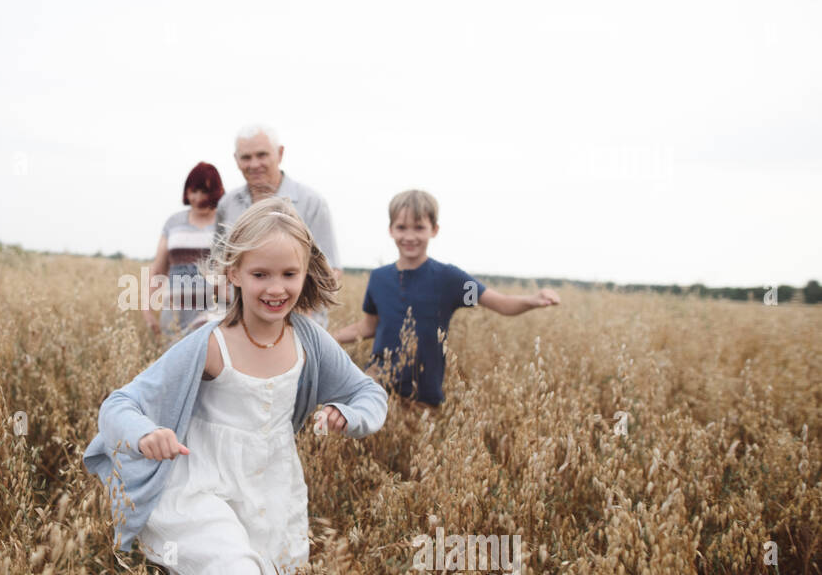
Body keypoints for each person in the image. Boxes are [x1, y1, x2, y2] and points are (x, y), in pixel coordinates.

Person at [83, 197, 388, 575]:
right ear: (233, 273)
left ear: (307, 273)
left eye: (289, 274)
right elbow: (119, 404)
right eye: (261, 274)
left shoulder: (309, 341)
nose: (276, 288)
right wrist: (146, 435)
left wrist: (347, 415)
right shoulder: (210, 343)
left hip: (276, 493)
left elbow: (368, 393)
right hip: (205, 484)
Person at [332, 189, 561, 409]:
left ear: (434, 229)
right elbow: (368, 327)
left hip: (423, 394)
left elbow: (499, 303)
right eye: (401, 227)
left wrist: (533, 300)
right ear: (391, 230)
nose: (409, 236)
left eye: (419, 227)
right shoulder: (378, 278)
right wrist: (330, 338)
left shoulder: (450, 279)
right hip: (377, 385)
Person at [214, 124, 343, 330]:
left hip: (300, 324)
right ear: (236, 160)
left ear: (280, 153)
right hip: (239, 326)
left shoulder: (311, 202)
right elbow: (219, 265)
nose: (254, 164)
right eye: (246, 157)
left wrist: (294, 306)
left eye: (262, 155)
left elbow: (331, 270)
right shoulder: (227, 205)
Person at [143, 163, 223, 341]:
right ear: (187, 192)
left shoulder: (225, 223)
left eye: (205, 192)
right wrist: (146, 309)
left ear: (216, 192)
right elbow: (158, 269)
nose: (199, 198)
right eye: (194, 191)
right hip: (174, 315)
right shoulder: (174, 223)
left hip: (213, 314)